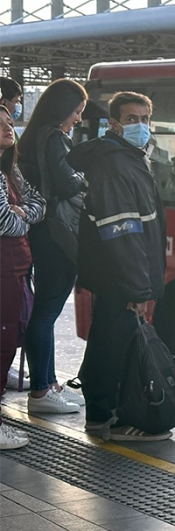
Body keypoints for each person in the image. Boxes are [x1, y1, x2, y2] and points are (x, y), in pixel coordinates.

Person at [67, 91, 169, 441]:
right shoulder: (114, 165)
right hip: (118, 277)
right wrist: (137, 289)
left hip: (118, 277)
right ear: (113, 125)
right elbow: (123, 234)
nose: (140, 126)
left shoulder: (129, 157)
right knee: (114, 345)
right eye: (131, 119)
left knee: (110, 341)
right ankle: (107, 417)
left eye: (145, 119)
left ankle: (104, 413)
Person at [16, 78, 88, 414]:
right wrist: (86, 176)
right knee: (46, 313)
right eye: (76, 111)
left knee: (43, 310)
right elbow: (65, 183)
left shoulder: (30, 138)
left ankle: (48, 382)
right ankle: (42, 392)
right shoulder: (56, 138)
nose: (78, 119)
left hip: (39, 231)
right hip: (57, 232)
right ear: (63, 109)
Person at [0, 105, 44, 449]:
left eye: (9, 121)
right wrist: (25, 216)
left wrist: (24, 212)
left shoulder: (11, 171)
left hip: (16, 269)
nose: (7, 128)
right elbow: (7, 224)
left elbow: (38, 201)